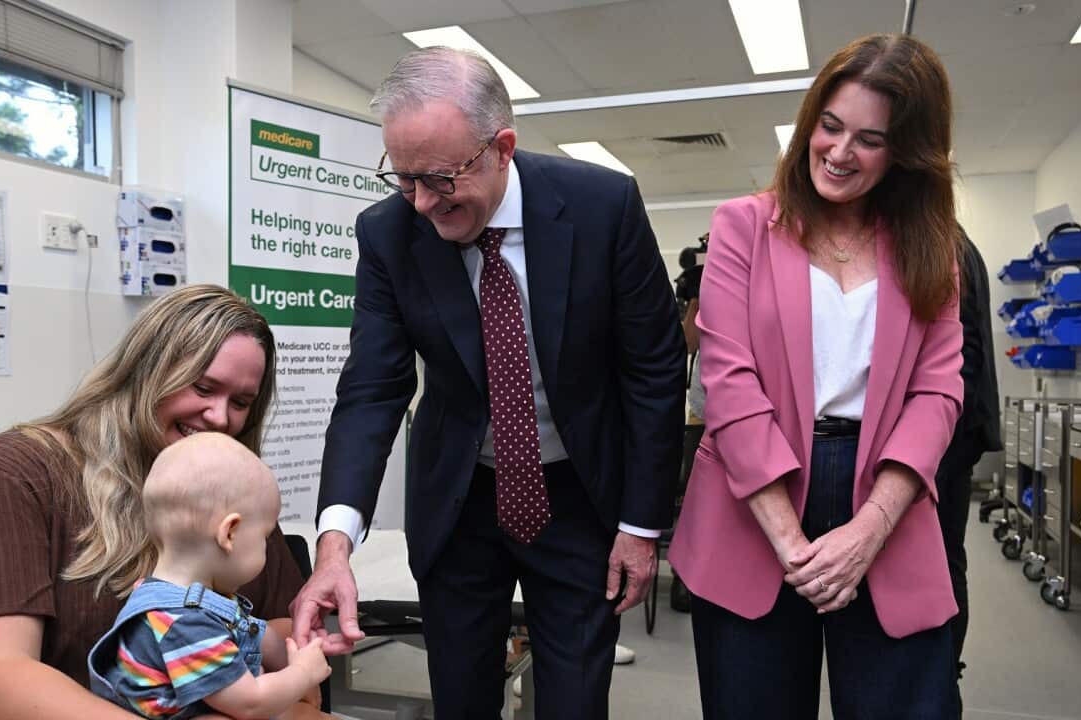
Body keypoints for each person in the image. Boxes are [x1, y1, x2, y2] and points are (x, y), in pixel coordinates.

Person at [290, 47, 686, 719]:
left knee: (575, 699)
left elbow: (653, 369)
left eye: (440, 180)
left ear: (501, 147)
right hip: (461, 498)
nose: (420, 203)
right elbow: (373, 390)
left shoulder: (601, 207)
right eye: (403, 178)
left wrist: (642, 526)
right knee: (462, 699)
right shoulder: (389, 234)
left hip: (577, 495)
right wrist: (335, 545)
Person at [667, 33, 965, 718]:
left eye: (870, 139)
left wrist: (867, 532)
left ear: (906, 152)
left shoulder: (929, 247)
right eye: (829, 126)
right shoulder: (745, 225)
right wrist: (792, 544)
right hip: (756, 495)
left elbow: (938, 392)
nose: (838, 151)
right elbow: (729, 381)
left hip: (884, 499)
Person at [0, 284, 330, 720]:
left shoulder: (231, 491)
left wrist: (287, 670)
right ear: (144, 372)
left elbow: (278, 634)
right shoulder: (8, 478)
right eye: (202, 388)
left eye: (240, 402)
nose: (220, 418)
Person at [89, 432, 331, 719]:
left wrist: (305, 645)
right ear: (230, 533)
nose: (267, 547)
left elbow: (257, 637)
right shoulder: (182, 623)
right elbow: (250, 703)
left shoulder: (188, 602)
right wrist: (303, 673)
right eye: (264, 536)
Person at [937, 228, 1002, 709]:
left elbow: (962, 355)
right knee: (946, 556)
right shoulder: (955, 239)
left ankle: (939, 671)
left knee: (938, 558)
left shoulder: (943, 244)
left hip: (947, 437)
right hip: (957, 432)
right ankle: (941, 667)